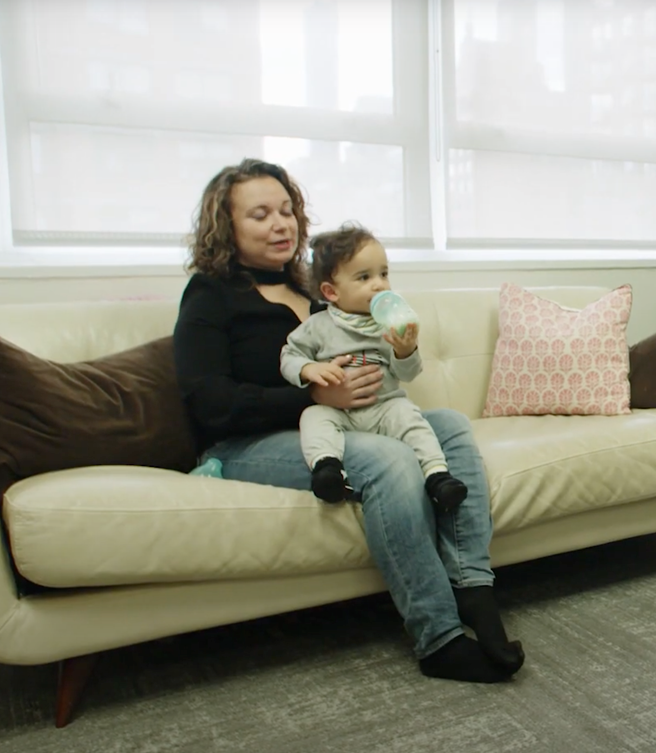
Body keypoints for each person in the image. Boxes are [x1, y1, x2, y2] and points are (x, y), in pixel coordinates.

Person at [173, 159, 523, 683]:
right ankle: (438, 638)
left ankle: (472, 586)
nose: (281, 224)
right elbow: (207, 399)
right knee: (388, 460)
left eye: (286, 210)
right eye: (260, 215)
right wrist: (311, 396)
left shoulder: (316, 292)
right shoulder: (209, 296)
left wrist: (398, 351)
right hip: (245, 444)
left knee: (449, 426)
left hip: (340, 423)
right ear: (226, 227)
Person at [279, 223, 468, 511]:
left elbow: (407, 374)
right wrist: (308, 370)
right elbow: (289, 355)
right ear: (331, 291)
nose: (379, 284)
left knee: (411, 417)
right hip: (338, 412)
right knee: (313, 417)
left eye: (384, 274)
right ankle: (328, 468)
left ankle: (437, 475)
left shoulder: (390, 324)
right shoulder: (318, 326)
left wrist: (405, 351)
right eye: (364, 277)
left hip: (384, 407)